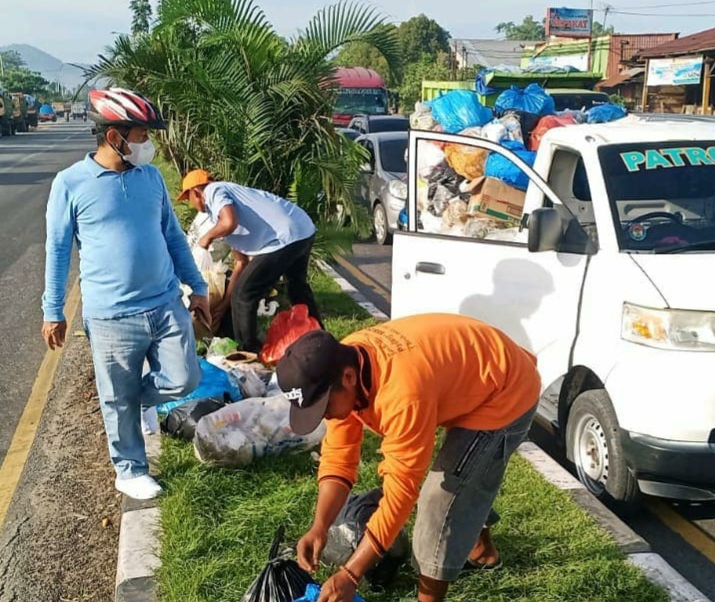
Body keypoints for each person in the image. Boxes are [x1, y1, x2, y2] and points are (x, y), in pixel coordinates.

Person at [277, 314, 541, 602]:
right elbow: (339, 458)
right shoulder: (345, 362)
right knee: (463, 477)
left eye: (323, 407)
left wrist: (351, 574)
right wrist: (319, 527)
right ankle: (482, 552)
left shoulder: (402, 393)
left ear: (348, 378)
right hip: (473, 373)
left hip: (505, 390)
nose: (324, 416)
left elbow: (400, 493)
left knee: (441, 498)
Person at [41, 87, 211, 500]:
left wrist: (198, 287)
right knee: (116, 396)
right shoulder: (70, 183)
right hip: (111, 315)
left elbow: (173, 236)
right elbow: (58, 249)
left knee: (184, 377)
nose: (148, 144)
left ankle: (134, 401)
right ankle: (130, 469)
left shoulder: (150, 178)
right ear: (114, 136)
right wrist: (53, 309)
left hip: (165, 303)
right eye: (141, 135)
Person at [178, 169, 322, 352]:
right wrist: (224, 304)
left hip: (284, 238)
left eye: (188, 198)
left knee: (244, 294)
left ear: (196, 192)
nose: (191, 205)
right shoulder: (226, 206)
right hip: (303, 230)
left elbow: (229, 223)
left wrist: (206, 238)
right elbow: (241, 263)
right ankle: (320, 339)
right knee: (297, 287)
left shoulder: (213, 190)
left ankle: (248, 352)